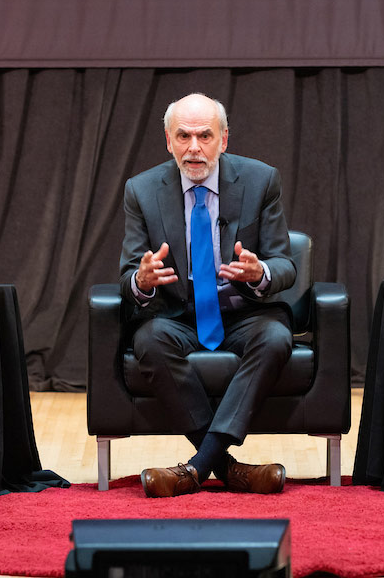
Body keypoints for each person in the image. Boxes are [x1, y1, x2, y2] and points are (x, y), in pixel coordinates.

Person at [122, 93, 297, 497]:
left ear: (224, 140)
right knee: (148, 340)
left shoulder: (261, 180)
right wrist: (143, 280)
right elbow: (128, 274)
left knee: (275, 338)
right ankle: (228, 468)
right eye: (184, 136)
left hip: (243, 312)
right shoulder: (142, 190)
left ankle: (198, 468)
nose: (194, 148)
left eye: (205, 136)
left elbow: (285, 265)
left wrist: (260, 272)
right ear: (168, 141)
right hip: (178, 315)